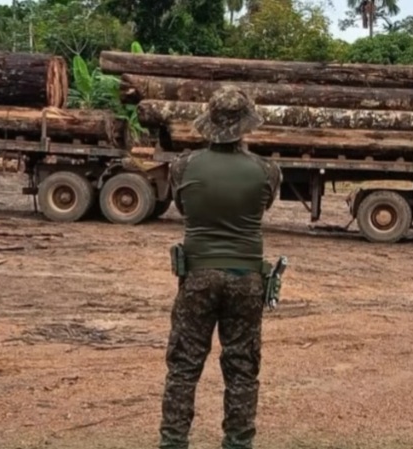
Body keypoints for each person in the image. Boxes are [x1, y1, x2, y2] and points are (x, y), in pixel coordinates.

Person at [159, 86, 282, 449]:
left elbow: (183, 208)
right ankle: (238, 442)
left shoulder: (183, 166)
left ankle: (173, 442)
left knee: (183, 367)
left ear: (209, 122)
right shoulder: (267, 171)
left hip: (198, 276)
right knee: (242, 367)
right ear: (246, 125)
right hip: (247, 280)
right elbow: (262, 208)